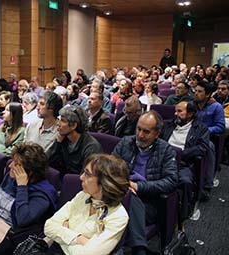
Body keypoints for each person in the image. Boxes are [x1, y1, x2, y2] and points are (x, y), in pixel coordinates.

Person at [112, 111, 178, 254]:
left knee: (131, 199)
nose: (140, 135)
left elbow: (171, 181)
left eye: (146, 132)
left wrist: (138, 186)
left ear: (157, 133)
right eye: (138, 129)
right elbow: (109, 167)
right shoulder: (126, 142)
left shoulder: (166, 150)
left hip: (149, 201)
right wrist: (123, 184)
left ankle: (138, 249)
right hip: (120, 192)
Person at [44, 154, 129, 255]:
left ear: (105, 182)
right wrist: (79, 239)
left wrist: (63, 231)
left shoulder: (118, 216)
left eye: (87, 174)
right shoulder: (83, 195)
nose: (81, 177)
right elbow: (48, 226)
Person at [161, 101, 211, 218]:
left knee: (185, 181)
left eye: (179, 111)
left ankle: (183, 214)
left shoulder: (200, 128)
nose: (175, 113)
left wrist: (181, 154)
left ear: (190, 114)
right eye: (175, 110)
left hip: (183, 163)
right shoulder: (168, 124)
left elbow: (203, 148)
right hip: (163, 159)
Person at [47, 105, 103, 175]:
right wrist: (57, 143)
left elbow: (86, 177)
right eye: (59, 119)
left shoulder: (91, 148)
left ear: (73, 125)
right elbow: (47, 162)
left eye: (63, 121)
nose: (58, 124)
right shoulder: (63, 138)